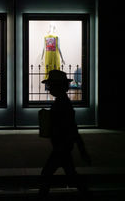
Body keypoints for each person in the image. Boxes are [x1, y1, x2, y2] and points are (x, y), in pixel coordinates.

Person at [39, 70, 91, 200]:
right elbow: (73, 128)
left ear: (58, 87)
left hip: (61, 147)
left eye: (51, 85)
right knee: (70, 174)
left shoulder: (61, 104)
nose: (49, 88)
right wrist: (81, 148)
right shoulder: (63, 102)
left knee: (46, 174)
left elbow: (71, 127)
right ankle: (86, 193)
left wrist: (81, 148)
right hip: (64, 146)